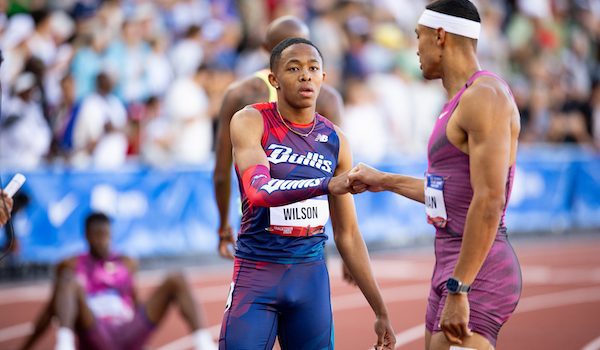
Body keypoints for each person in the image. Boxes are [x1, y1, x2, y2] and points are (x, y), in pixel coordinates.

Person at [348, 1, 522, 349]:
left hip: (477, 269)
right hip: (450, 264)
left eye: (419, 36)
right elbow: (449, 192)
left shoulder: (484, 96)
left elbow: (489, 200)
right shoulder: (458, 101)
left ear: (440, 36)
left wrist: (461, 287)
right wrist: (383, 180)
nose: (416, 48)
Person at [218, 38, 395, 350]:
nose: (305, 75)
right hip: (257, 275)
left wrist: (380, 310)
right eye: (294, 68)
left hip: (310, 280)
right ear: (274, 80)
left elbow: (348, 233)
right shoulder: (251, 120)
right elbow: (258, 191)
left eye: (314, 68)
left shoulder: (335, 140)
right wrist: (326, 184)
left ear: (323, 79)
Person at [212, 15, 343, 260]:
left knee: (258, 289)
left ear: (264, 49)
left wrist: (222, 228)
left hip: (259, 220)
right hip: (308, 222)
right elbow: (338, 173)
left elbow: (221, 173)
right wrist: (345, 241)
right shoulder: (327, 97)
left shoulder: (239, 93)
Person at [19, 212, 217, 350]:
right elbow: (52, 309)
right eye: (96, 236)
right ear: (86, 236)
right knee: (68, 281)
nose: (101, 241)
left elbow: (133, 300)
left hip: (127, 329)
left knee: (177, 277)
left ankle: (204, 344)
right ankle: (64, 345)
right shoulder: (70, 264)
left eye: (105, 235)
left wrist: (141, 330)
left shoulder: (127, 262)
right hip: (96, 330)